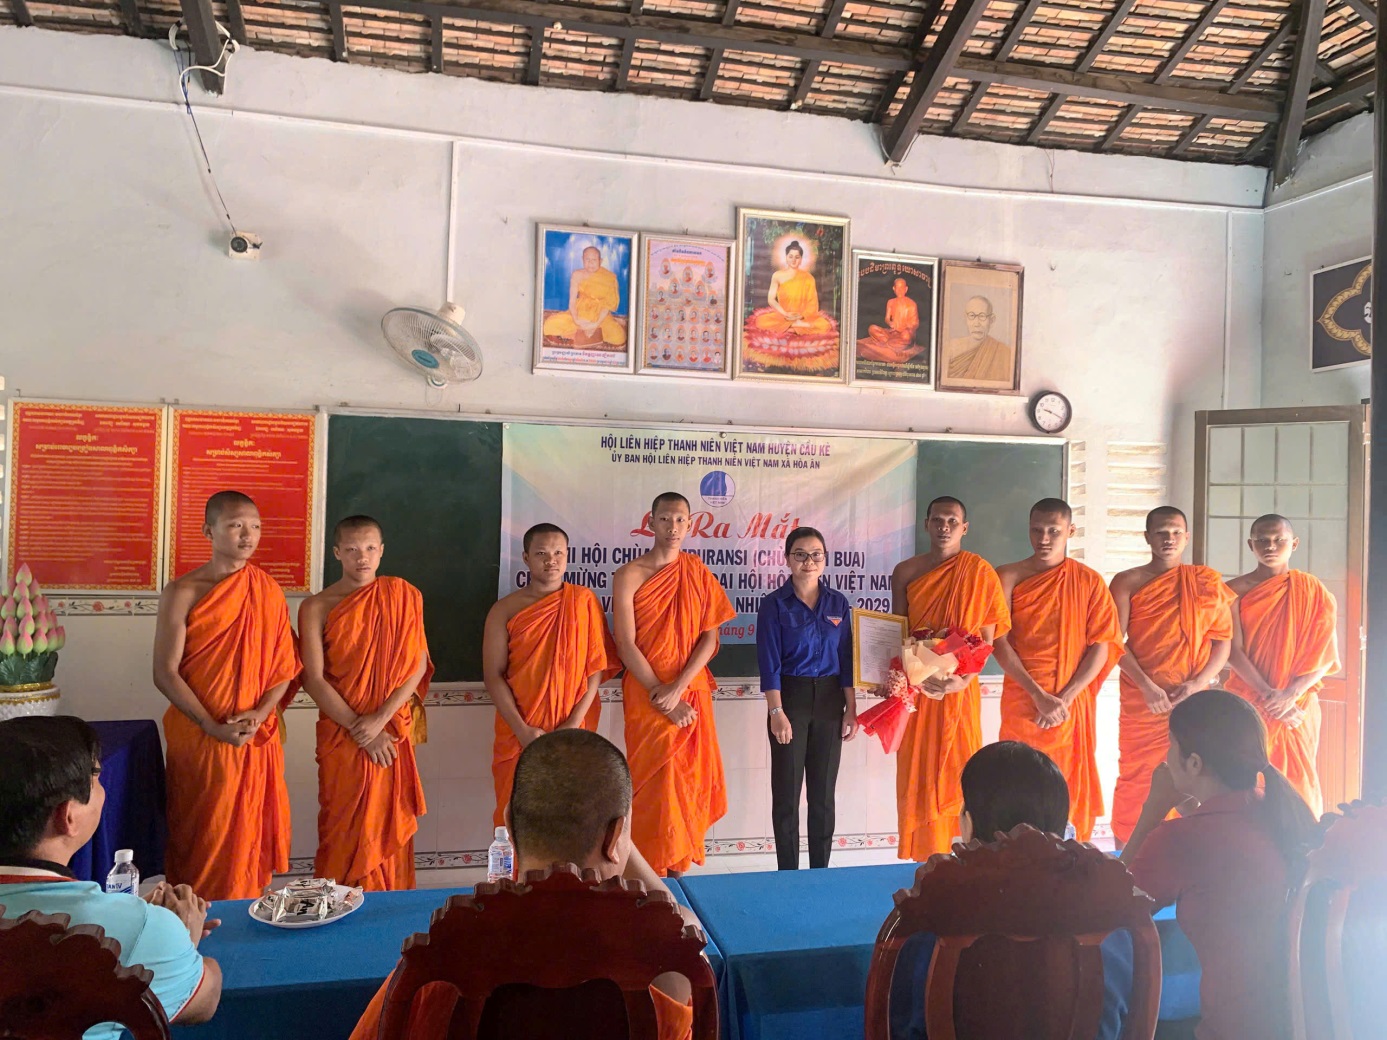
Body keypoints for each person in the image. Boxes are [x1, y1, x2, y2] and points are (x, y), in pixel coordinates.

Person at [347, 730, 701, 1040]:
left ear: (510, 827)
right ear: (615, 836)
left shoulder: (444, 952)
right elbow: (673, 917)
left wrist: (613, 832)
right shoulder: (663, 951)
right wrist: (617, 837)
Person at [889, 741, 1133, 1040]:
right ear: (1061, 825)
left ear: (968, 823)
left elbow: (900, 1024)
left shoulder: (932, 922)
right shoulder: (1110, 918)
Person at [0, 716, 223, 1033]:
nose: (103, 789)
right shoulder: (134, 929)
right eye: (97, 780)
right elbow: (205, 999)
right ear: (68, 816)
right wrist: (178, 936)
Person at [1122, 689, 1318, 1040]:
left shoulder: (1179, 839)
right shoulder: (1281, 811)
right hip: (1305, 1024)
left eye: (1170, 746)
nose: (1166, 757)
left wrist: (1152, 812)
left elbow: (1107, 907)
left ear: (1194, 764)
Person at [152, 490, 301, 900]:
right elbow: (164, 672)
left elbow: (285, 667)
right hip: (200, 738)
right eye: (236, 526)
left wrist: (261, 712)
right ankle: (190, 922)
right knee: (203, 833)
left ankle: (243, 916)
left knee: (247, 844)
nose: (247, 535)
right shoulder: (182, 591)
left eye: (255, 526)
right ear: (209, 531)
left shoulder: (267, 590)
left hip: (252, 736)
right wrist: (211, 725)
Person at [298, 515, 431, 891]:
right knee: (343, 828)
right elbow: (313, 678)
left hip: (390, 731)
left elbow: (418, 664)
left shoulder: (403, 596)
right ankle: (337, 905)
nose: (363, 557)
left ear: (382, 551)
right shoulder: (316, 607)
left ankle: (389, 905)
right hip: (343, 736)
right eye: (353, 549)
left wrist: (379, 721)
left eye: (371, 548)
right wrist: (362, 730)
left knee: (388, 828)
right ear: (337, 552)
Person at [613, 492, 734, 876]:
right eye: (665, 519)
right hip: (645, 692)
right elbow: (625, 644)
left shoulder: (697, 572)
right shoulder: (628, 575)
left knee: (687, 782)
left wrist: (677, 689)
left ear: (691, 524)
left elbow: (710, 639)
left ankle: (679, 874)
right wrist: (659, 693)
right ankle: (648, 875)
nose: (673, 527)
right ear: (651, 522)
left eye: (681, 520)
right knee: (657, 783)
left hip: (689, 692)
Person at [993, 499, 1123, 841]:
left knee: (1065, 784)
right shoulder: (1007, 576)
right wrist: (1038, 695)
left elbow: (1103, 645)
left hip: (1070, 706)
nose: (1044, 538)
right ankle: (1016, 854)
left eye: (1054, 530)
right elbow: (998, 642)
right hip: (1023, 701)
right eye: (1037, 530)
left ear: (1070, 531)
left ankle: (1066, 858)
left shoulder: (1088, 581)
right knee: (1018, 780)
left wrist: (1063, 699)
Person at [889, 496, 1010, 859]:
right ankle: (924, 855)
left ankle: (964, 855)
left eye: (952, 521)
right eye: (938, 520)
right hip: (918, 692)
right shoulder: (905, 572)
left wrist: (964, 680)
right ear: (926, 524)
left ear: (964, 528)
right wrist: (903, 678)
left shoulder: (980, 573)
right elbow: (898, 632)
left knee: (962, 769)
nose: (945, 527)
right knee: (918, 770)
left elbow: (986, 640)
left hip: (960, 692)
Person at [1108, 507, 1234, 847]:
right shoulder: (1127, 582)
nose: (1169, 539)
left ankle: (1190, 848)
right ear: (1147, 537)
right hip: (1143, 700)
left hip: (1193, 699)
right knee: (1138, 773)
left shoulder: (1206, 582)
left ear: (1187, 537)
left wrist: (1199, 684)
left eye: (1176, 532)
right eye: (1161, 532)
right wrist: (1146, 686)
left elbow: (1223, 642)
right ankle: (1128, 852)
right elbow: (1113, 641)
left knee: (1196, 770)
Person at [483, 522, 617, 826]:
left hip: (574, 730)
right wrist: (522, 730)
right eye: (541, 553)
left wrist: (573, 724)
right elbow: (493, 675)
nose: (551, 560)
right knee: (519, 816)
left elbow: (595, 670)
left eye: (558, 553)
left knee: (573, 816)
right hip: (521, 732)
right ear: (526, 558)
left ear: (568, 556)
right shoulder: (504, 610)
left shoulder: (583, 602)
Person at [756, 526, 858, 870]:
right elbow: (769, 663)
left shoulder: (838, 603)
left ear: (825, 560)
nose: (809, 561)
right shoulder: (773, 605)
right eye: (800, 554)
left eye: (816, 555)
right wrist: (776, 712)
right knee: (787, 794)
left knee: (823, 795)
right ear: (788, 559)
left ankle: (820, 873)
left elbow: (846, 658)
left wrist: (851, 709)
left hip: (830, 700)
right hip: (790, 700)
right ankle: (788, 873)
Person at [1225, 514, 1339, 817]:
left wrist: (1290, 695)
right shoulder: (1232, 591)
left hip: (1297, 705)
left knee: (1297, 779)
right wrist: (1269, 695)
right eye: (1262, 540)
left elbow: (1326, 654)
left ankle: (1301, 840)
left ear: (1294, 544)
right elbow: (1232, 651)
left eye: (1279, 540)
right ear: (1250, 544)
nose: (1270, 546)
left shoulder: (1313, 591)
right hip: (1250, 700)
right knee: (1249, 777)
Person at [542, 244, 626, 347]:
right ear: (582, 260)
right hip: (581, 310)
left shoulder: (609, 278)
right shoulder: (577, 275)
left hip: (600, 314)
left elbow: (607, 306)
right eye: (587, 259)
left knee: (619, 337)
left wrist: (595, 324)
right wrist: (577, 320)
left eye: (594, 260)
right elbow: (572, 301)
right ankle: (583, 332)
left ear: (600, 261)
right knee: (549, 326)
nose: (590, 263)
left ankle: (578, 333)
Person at [750, 240, 834, 335]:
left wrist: (801, 316)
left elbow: (813, 305)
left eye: (797, 257)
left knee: (824, 325)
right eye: (790, 256)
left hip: (802, 317)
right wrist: (785, 313)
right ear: (786, 258)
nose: (793, 260)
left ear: (801, 259)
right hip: (783, 316)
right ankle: (796, 327)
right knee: (761, 321)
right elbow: (771, 299)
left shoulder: (808, 278)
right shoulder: (777, 275)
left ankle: (790, 327)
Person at [944, 295, 1011, 383]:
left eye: (982, 316)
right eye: (972, 315)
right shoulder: (950, 347)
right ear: (965, 318)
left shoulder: (1005, 353)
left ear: (991, 320)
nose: (976, 324)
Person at [858, 277, 923, 363]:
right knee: (872, 328)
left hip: (904, 334)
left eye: (902, 288)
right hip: (892, 333)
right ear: (894, 289)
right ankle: (889, 343)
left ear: (906, 289)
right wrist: (890, 323)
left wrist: (904, 328)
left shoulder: (912, 304)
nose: (900, 290)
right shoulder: (890, 302)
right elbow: (887, 319)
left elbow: (915, 323)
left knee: (906, 336)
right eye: (897, 288)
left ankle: (885, 344)